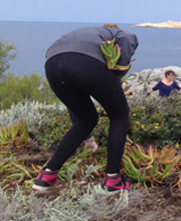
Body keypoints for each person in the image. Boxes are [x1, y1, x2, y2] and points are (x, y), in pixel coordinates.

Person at [33, 24, 138, 193]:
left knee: (86, 118)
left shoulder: (87, 32)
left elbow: (74, 104)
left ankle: (47, 177)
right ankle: (113, 180)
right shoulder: (119, 33)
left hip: (52, 64)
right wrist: (118, 72)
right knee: (119, 114)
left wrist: (88, 138)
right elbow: (128, 39)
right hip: (85, 62)